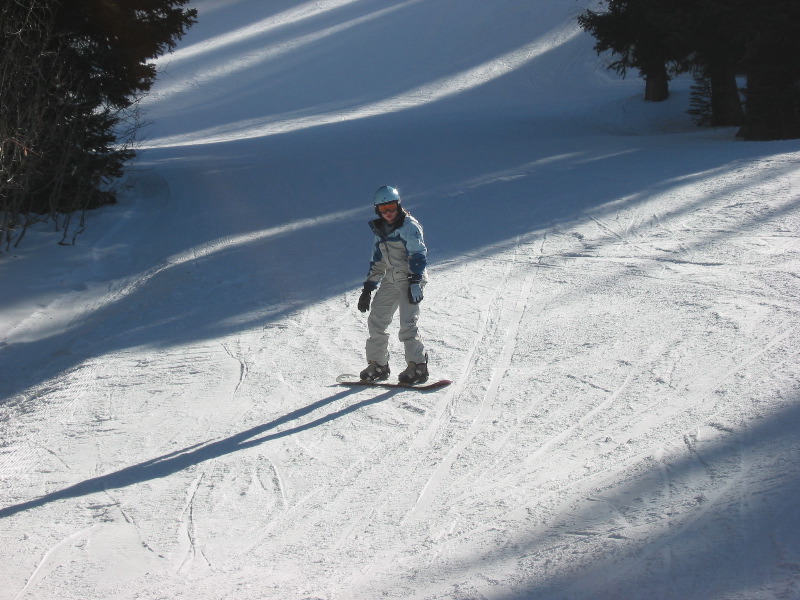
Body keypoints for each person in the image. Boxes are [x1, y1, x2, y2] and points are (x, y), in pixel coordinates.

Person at [357, 185, 429, 384]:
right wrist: (368, 287)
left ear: (398, 205)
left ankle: (418, 366)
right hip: (391, 278)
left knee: (407, 324)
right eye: (383, 209)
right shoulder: (380, 230)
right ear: (377, 210)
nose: (388, 213)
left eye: (391, 207)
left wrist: (415, 282)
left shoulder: (409, 226)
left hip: (409, 278)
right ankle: (378, 365)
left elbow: (418, 254)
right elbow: (378, 260)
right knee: (377, 320)